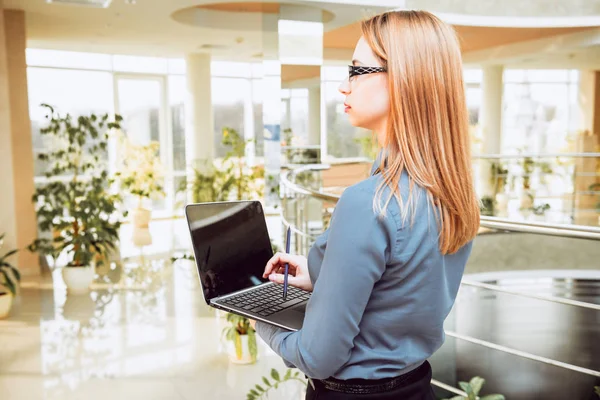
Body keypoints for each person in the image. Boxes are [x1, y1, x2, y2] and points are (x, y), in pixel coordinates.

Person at [250, 10, 481, 400]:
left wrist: (260, 317)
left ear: (406, 79)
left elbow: (316, 356)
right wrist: (322, 271)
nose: (344, 86)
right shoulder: (453, 191)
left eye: (357, 71)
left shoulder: (368, 202)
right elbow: (400, 288)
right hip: (415, 388)